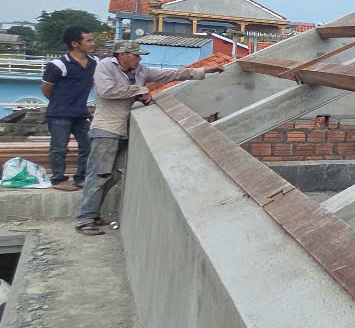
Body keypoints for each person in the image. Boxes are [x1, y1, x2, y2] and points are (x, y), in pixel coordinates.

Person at [74, 41, 223, 236]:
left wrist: (205, 71)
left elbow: (172, 74)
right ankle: (85, 219)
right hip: (106, 128)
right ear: (123, 54)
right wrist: (138, 90)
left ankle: (93, 214)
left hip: (123, 129)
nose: (139, 59)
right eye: (135, 55)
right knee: (99, 174)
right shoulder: (106, 66)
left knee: (113, 175)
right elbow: (107, 91)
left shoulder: (140, 70)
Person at [41, 27, 98, 191]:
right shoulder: (58, 65)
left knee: (88, 145)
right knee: (59, 148)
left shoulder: (94, 63)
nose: (92, 43)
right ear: (75, 43)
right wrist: (60, 103)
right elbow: (46, 88)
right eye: (88, 40)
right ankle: (58, 180)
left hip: (81, 113)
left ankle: (81, 178)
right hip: (59, 114)